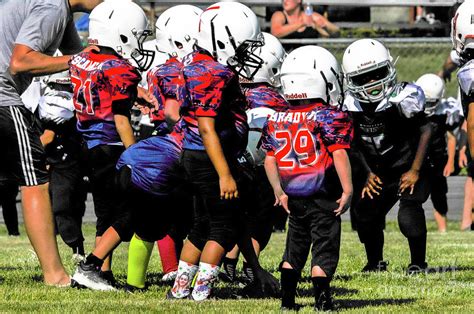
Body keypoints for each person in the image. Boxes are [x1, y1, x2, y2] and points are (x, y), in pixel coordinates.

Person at [168, 1, 272, 301]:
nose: (245, 55)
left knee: (201, 226)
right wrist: (225, 173)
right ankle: (202, 290)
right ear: (223, 39)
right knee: (223, 228)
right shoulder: (215, 73)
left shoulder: (193, 64)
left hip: (193, 154)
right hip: (209, 159)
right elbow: (206, 127)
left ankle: (180, 289)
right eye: (241, 47)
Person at [0, 0, 102, 286]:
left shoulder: (59, 10)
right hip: (3, 98)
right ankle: (55, 275)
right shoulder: (53, 7)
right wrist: (75, 61)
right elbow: (21, 62)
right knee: (35, 182)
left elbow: (82, 60)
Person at [70, 0, 155, 291]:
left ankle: (101, 273)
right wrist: (135, 156)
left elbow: (102, 92)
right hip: (110, 145)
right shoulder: (118, 68)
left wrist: (134, 94)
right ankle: (92, 267)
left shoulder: (83, 59)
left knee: (105, 211)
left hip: (88, 142)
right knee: (129, 211)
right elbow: (120, 121)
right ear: (119, 33)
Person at [118, 4, 202, 291]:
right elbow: (172, 112)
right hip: (179, 142)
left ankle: (141, 279)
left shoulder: (162, 67)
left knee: (157, 214)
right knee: (177, 213)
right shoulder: (180, 69)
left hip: (156, 139)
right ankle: (177, 271)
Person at [262, 45, 352, 311]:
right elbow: (339, 153)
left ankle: (288, 302)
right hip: (322, 195)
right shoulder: (327, 116)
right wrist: (347, 189)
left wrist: (279, 191)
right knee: (323, 248)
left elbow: (270, 159)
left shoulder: (276, 117)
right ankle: (323, 302)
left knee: (294, 248)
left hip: (294, 195)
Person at [342, 39, 432, 274]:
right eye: (364, 77)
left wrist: (415, 170)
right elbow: (351, 142)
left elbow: (426, 130)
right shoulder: (350, 104)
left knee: (409, 214)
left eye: (377, 73)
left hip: (408, 165)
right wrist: (366, 173)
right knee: (364, 213)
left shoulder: (404, 97)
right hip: (378, 171)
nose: (372, 82)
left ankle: (418, 263)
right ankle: (375, 263)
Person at [221, 32, 289, 283]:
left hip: (229, 162)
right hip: (263, 167)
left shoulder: (228, 88)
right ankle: (251, 265)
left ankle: (228, 260)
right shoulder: (278, 101)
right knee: (261, 219)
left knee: (232, 216)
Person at [37, 70, 88, 258]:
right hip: (65, 161)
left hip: (66, 162)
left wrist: (31, 154)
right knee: (65, 207)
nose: (60, 91)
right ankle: (74, 247)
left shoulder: (65, 107)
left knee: (62, 207)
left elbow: (47, 138)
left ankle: (75, 246)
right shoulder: (49, 104)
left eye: (64, 87)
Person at [415, 74, 463, 232]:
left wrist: (450, 161)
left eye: (432, 102)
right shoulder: (412, 110)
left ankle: (443, 230)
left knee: (439, 196)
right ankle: (414, 227)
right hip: (417, 161)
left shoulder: (443, 112)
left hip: (437, 160)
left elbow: (450, 138)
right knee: (413, 198)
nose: (428, 105)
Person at [270, 0, 339, 40]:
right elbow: (276, 32)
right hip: (287, 58)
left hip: (310, 58)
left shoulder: (311, 15)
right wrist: (302, 23)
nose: (285, 1)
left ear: (299, 0)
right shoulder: (279, 15)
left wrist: (323, 26)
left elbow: (336, 31)